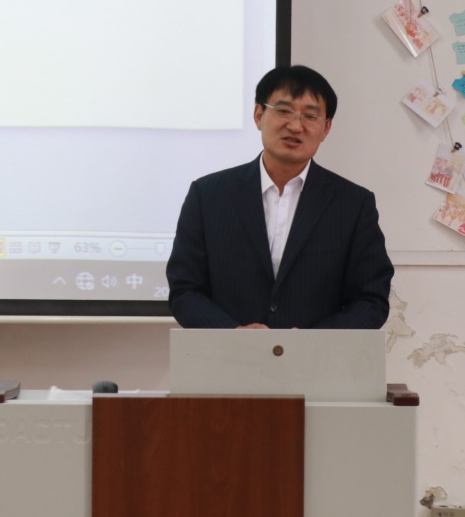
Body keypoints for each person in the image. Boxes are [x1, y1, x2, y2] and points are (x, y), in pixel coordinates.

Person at [166, 65, 394, 329]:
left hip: (316, 354)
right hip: (227, 353)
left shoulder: (353, 204)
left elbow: (371, 299)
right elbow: (185, 290)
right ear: (258, 115)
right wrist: (234, 334)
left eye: (310, 116)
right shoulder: (207, 195)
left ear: (326, 128)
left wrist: (312, 341)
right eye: (284, 111)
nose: (295, 125)